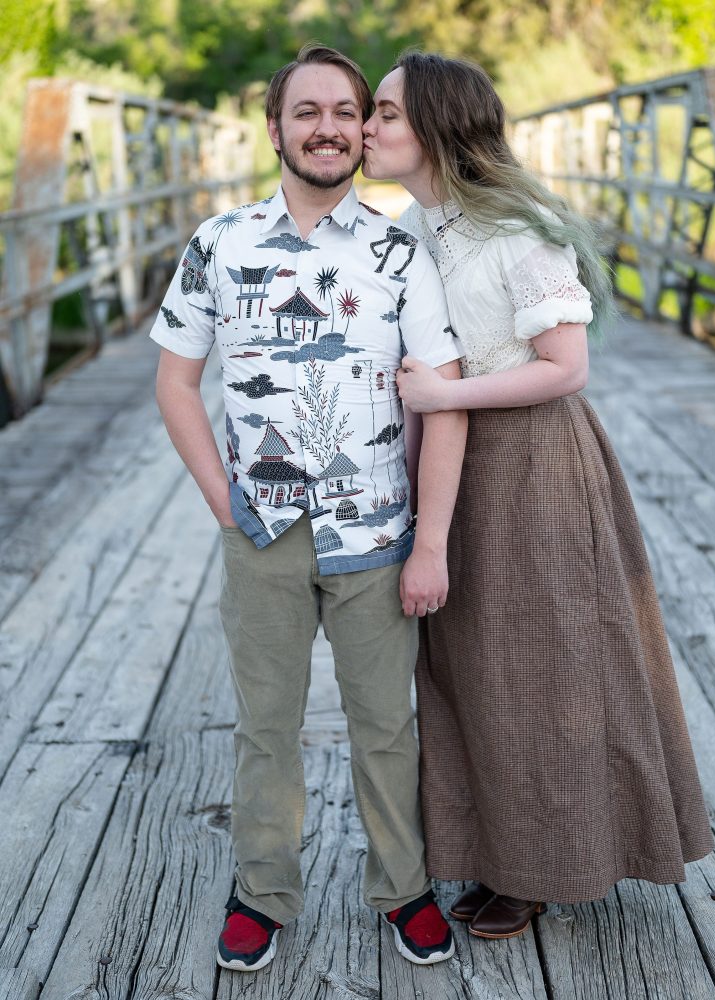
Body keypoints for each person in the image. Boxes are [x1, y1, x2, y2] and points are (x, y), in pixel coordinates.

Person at [361, 51, 713, 941]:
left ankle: (547, 864)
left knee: (542, 666)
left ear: (436, 125)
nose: (368, 127)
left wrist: (444, 396)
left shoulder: (518, 229)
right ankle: (494, 850)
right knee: (469, 663)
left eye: (386, 113)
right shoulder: (418, 225)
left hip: (534, 465)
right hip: (457, 461)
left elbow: (566, 368)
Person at [150, 44, 467, 972]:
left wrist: (431, 545)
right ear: (276, 128)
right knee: (266, 725)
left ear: (363, 127)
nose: (327, 127)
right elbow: (175, 382)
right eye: (306, 111)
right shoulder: (221, 244)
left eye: (344, 111)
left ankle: (403, 888)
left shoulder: (402, 250)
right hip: (264, 536)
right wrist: (221, 498)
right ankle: (263, 889)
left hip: (378, 532)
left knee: (386, 726)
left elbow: (442, 402)